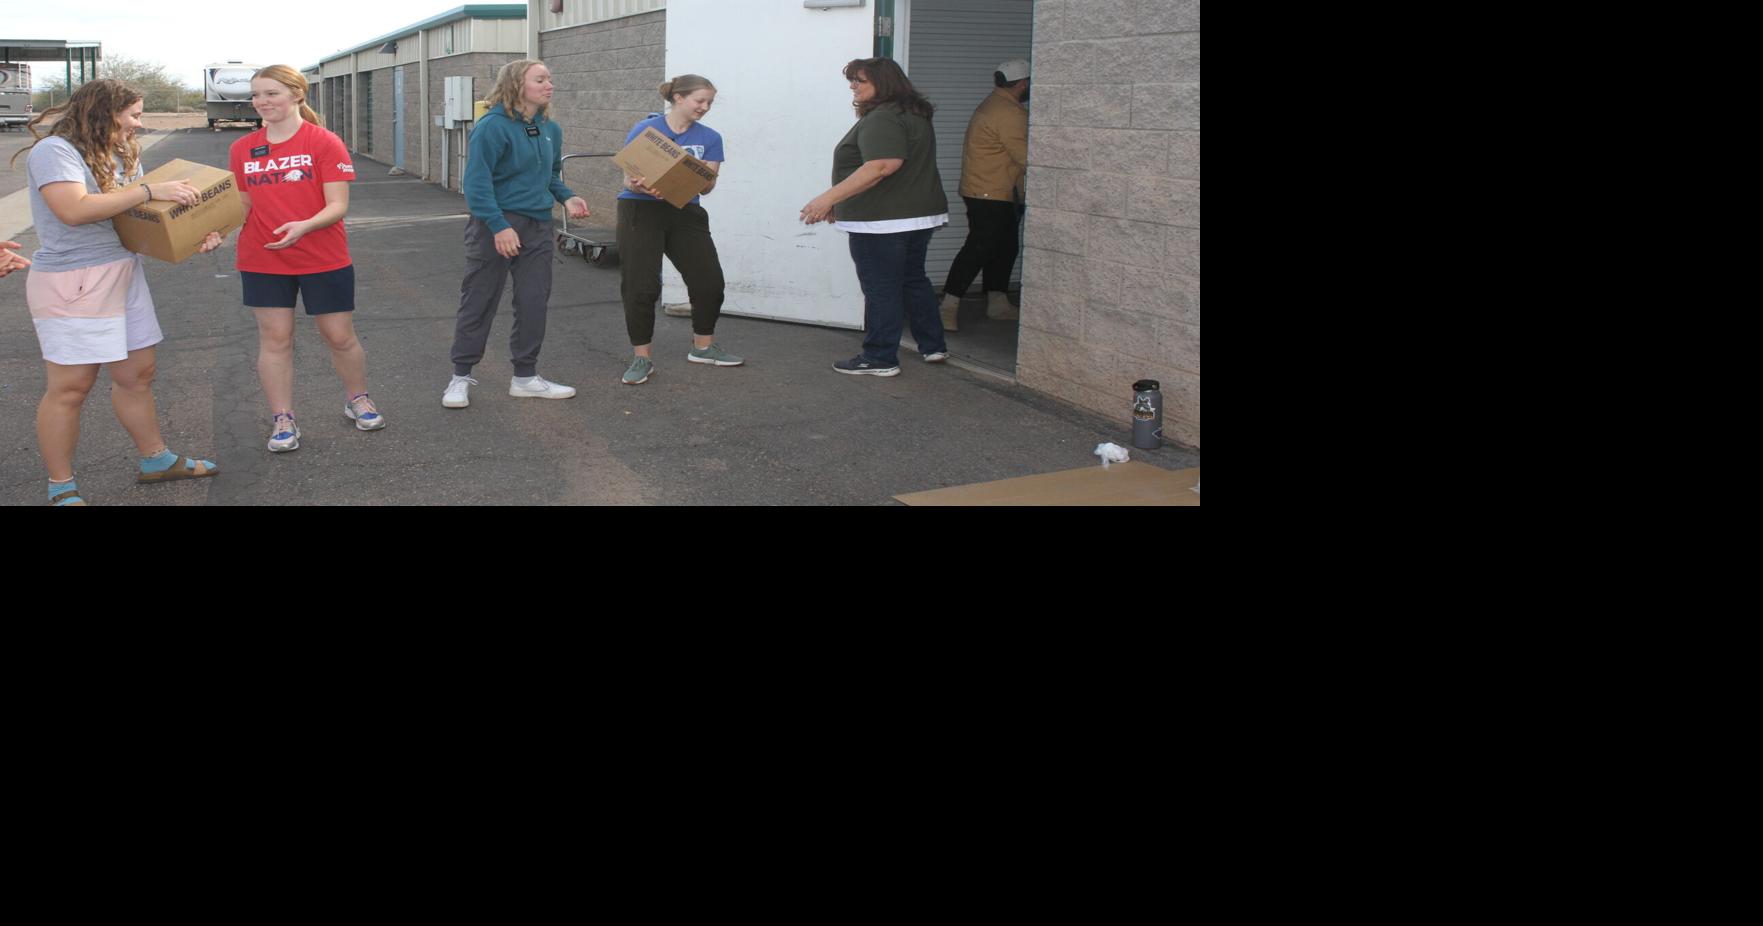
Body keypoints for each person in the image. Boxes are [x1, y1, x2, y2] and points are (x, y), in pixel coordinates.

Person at [11, 78, 221, 506]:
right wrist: (149, 190)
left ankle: (156, 460)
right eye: (134, 115)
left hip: (123, 272)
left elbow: (138, 217)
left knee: (137, 375)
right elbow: (73, 210)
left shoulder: (122, 151)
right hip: (74, 280)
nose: (139, 125)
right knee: (71, 387)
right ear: (104, 111)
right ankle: (61, 487)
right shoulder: (55, 151)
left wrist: (193, 233)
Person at [229, 64, 381, 453]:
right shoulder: (243, 148)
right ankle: (283, 419)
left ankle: (358, 398)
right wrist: (211, 230)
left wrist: (305, 226)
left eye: (271, 93)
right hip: (263, 259)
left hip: (322, 256)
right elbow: (241, 206)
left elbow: (337, 205)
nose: (261, 102)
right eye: (256, 95)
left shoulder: (324, 142)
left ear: (297, 94)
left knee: (339, 336)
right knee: (275, 339)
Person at [443, 58, 590, 408]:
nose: (549, 85)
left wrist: (567, 197)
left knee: (533, 301)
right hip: (494, 224)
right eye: (540, 79)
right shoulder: (492, 126)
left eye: (549, 78)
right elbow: (476, 184)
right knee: (479, 300)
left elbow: (550, 175)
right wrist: (499, 226)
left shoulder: (550, 128)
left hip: (537, 226)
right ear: (516, 85)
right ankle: (460, 377)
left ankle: (525, 377)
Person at [800, 57, 949, 377]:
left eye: (860, 80)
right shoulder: (913, 113)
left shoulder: (883, 117)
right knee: (913, 280)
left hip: (883, 221)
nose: (853, 86)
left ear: (883, 82)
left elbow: (882, 166)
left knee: (882, 287)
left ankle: (880, 357)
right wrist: (840, 201)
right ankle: (933, 345)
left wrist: (827, 198)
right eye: (851, 80)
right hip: (917, 216)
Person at [615, 74, 740, 386]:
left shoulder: (711, 138)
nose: (705, 107)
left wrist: (693, 180)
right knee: (641, 286)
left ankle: (703, 347)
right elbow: (628, 180)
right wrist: (643, 186)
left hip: (685, 210)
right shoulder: (646, 129)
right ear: (679, 98)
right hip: (641, 210)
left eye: (710, 102)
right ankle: (642, 358)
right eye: (700, 100)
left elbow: (708, 186)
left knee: (709, 282)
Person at [939, 58, 1029, 331]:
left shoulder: (993, 104)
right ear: (1023, 84)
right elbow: (1026, 156)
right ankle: (948, 307)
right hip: (992, 192)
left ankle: (997, 303)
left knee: (1004, 247)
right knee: (979, 249)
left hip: (987, 189)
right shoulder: (1010, 113)